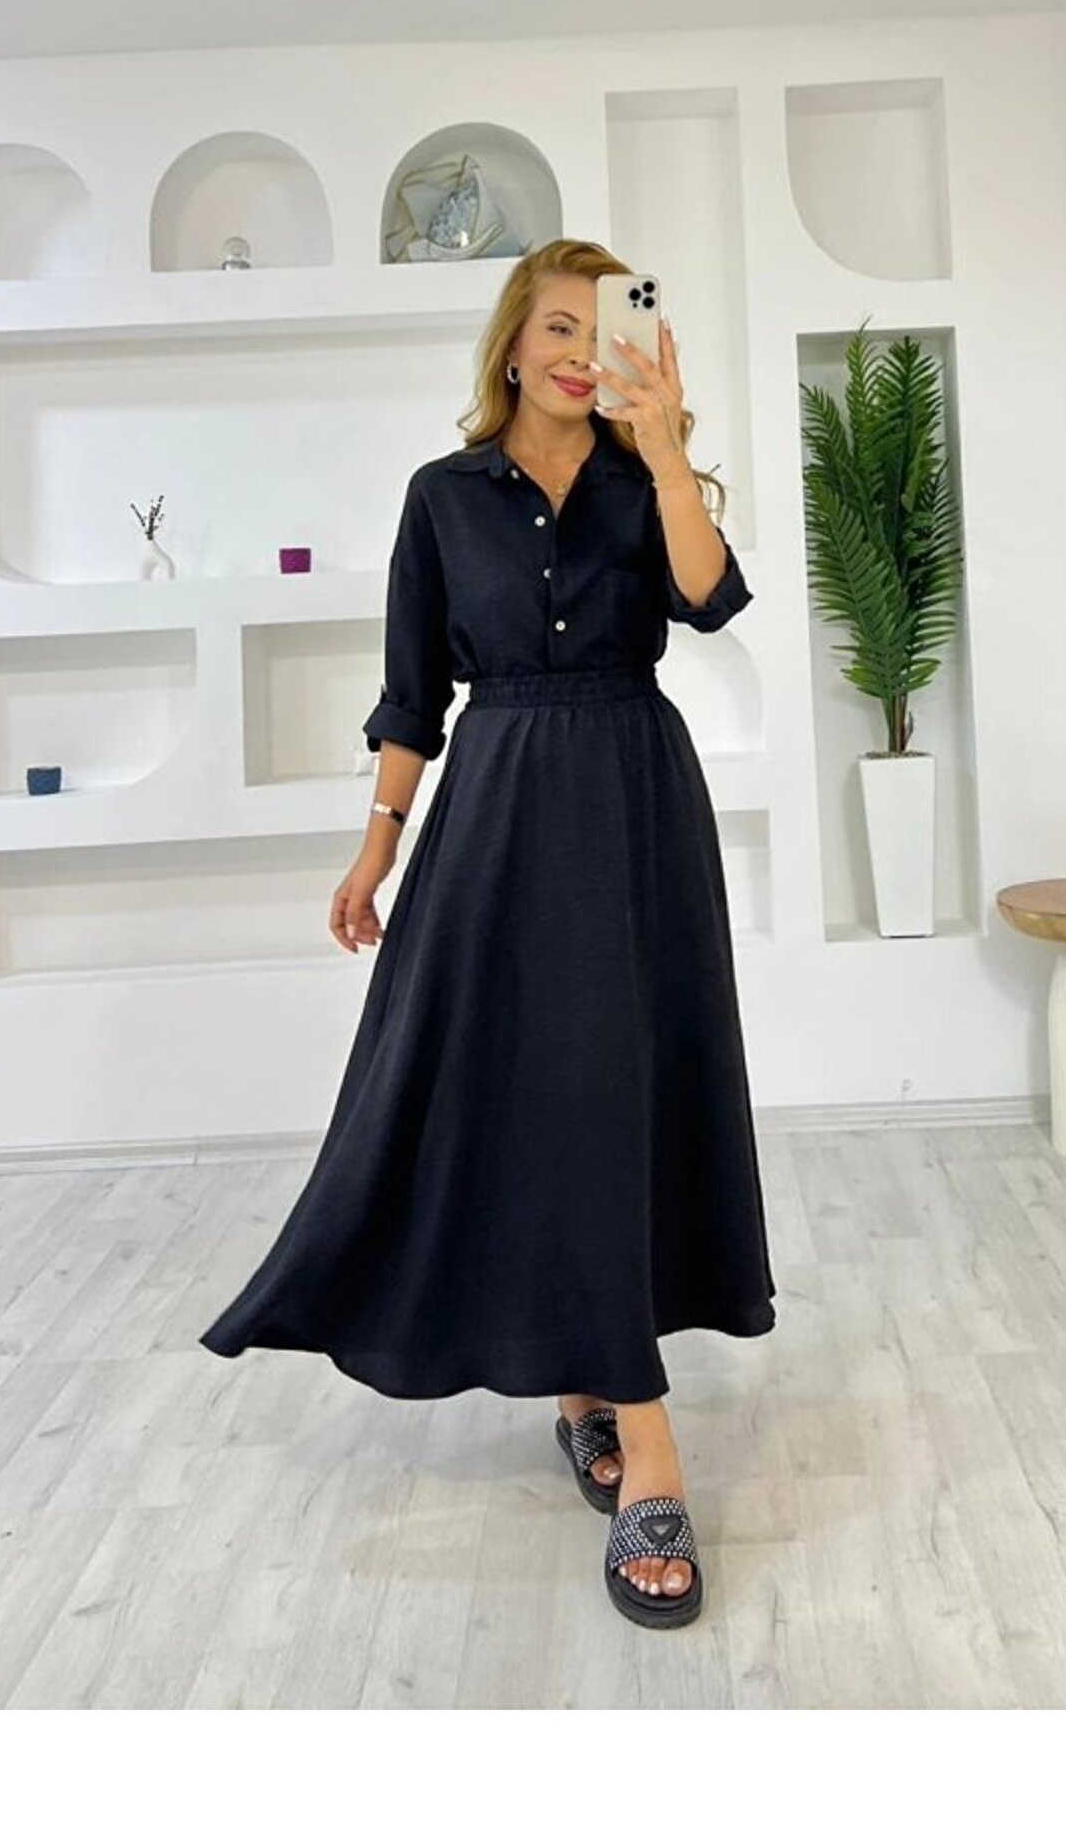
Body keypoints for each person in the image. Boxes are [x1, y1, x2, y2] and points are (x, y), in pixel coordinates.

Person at [200, 238, 777, 1630]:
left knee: (616, 1095)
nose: (581, 350)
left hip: (634, 806)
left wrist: (666, 442)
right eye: (558, 326)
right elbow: (414, 693)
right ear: (513, 345)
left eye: (605, 326)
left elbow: (707, 598)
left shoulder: (645, 481)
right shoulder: (442, 497)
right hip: (503, 811)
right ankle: (601, 1392)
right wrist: (377, 844)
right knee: (529, 1097)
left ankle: (622, 1417)